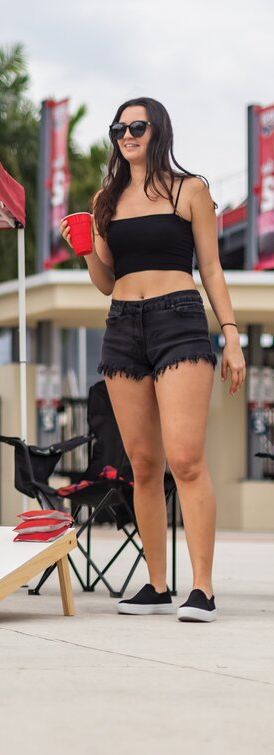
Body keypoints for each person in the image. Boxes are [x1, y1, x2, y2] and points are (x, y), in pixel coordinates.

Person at [61, 97, 246, 622]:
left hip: (179, 319)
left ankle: (203, 590)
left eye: (136, 125)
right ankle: (157, 585)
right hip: (122, 324)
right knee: (143, 466)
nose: (126, 134)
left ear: (157, 129)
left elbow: (211, 268)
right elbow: (105, 282)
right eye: (118, 127)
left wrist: (231, 336)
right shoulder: (106, 198)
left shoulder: (191, 190)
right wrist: (86, 251)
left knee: (185, 460)